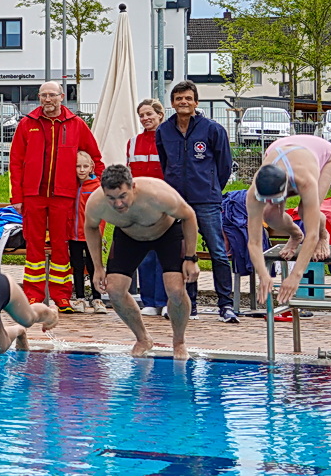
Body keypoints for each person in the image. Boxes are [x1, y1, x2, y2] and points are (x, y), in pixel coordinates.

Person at [84, 164, 202, 359]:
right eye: (111, 198)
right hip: (129, 237)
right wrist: (97, 267)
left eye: (122, 196)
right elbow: (91, 228)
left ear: (133, 187)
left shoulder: (157, 193)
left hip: (167, 234)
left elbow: (189, 215)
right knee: (114, 289)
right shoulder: (96, 203)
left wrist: (191, 258)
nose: (118, 204)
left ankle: (179, 341)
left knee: (175, 289)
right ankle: (142, 338)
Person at [8, 81, 103, 313]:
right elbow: (15, 163)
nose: (47, 99)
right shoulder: (27, 124)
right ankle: (33, 295)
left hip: (64, 196)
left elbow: (95, 158)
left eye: (52, 95)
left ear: (62, 97)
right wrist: (17, 197)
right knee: (34, 247)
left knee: (62, 246)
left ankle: (62, 296)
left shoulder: (76, 124)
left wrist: (100, 188)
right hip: (33, 195)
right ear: (38, 98)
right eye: (43, 95)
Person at [156, 80, 235, 321]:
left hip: (206, 200)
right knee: (182, 253)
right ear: (172, 103)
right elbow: (164, 163)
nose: (183, 102)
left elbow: (224, 165)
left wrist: (211, 188)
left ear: (196, 102)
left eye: (188, 98)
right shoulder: (164, 131)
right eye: (179, 98)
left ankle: (226, 306)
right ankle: (189, 305)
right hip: (177, 203)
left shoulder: (212, 129)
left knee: (218, 252)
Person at [246, 134, 331, 309]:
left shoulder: (305, 181)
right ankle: (295, 235)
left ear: (285, 188)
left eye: (276, 198)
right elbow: (253, 241)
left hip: (324, 155)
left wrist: (295, 276)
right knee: (269, 214)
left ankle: (325, 235)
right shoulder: (254, 190)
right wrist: (263, 274)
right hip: (279, 150)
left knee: (305, 212)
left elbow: (311, 235)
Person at [129, 98, 169, 316]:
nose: (145, 119)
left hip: (163, 203)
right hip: (140, 206)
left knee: (164, 254)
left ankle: (164, 300)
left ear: (160, 115)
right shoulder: (133, 142)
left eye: (149, 115)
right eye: (142, 115)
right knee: (145, 253)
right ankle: (150, 301)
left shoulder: (169, 140)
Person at [70, 151, 101, 301]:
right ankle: (80, 297)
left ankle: (97, 297)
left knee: (93, 265)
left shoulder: (97, 187)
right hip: (73, 235)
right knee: (76, 266)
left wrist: (98, 233)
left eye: (85, 166)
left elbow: (102, 213)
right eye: (78, 166)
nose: (81, 170)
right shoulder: (70, 186)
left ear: (91, 167)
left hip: (90, 236)